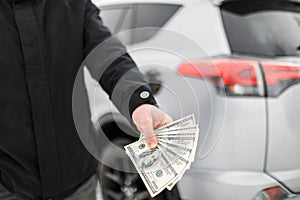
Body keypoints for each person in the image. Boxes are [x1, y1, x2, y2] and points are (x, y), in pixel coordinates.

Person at [0, 0, 173, 199]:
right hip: (8, 185)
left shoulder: (73, 4)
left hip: (79, 182)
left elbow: (108, 55)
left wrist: (139, 102)